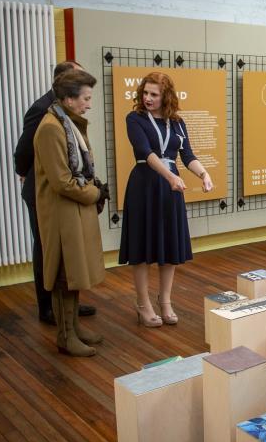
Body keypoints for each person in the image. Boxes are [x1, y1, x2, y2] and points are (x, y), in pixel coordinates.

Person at [119, 72, 213, 326]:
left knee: (169, 246)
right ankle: (143, 303)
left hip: (170, 191)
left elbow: (188, 155)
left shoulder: (178, 123)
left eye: (154, 94)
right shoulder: (135, 118)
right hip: (145, 186)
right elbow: (145, 152)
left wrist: (203, 174)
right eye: (145, 93)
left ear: (166, 96)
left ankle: (165, 301)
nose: (148, 98)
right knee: (141, 248)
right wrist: (169, 177)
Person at [14, 61, 97, 324]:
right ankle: (50, 309)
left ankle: (68, 311)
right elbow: (25, 151)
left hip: (66, 191)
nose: (88, 102)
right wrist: (27, 171)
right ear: (66, 86)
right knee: (49, 252)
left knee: (68, 254)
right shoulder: (43, 112)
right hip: (46, 193)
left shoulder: (65, 115)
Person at [34, 70, 109, 356]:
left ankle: (74, 327)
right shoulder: (51, 128)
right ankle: (65, 336)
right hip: (62, 214)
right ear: (68, 99)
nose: (89, 104)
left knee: (74, 273)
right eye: (86, 98)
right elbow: (62, 181)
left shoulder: (66, 123)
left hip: (73, 210)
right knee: (65, 274)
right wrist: (94, 193)